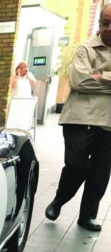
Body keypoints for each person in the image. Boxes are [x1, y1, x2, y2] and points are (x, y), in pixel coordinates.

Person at [45, 4, 111, 232]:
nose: (108, 28)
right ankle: (59, 201)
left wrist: (100, 76)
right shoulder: (85, 49)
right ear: (99, 23)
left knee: (100, 173)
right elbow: (79, 81)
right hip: (80, 119)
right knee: (76, 166)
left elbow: (89, 81)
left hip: (108, 123)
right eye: (105, 23)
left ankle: (87, 216)